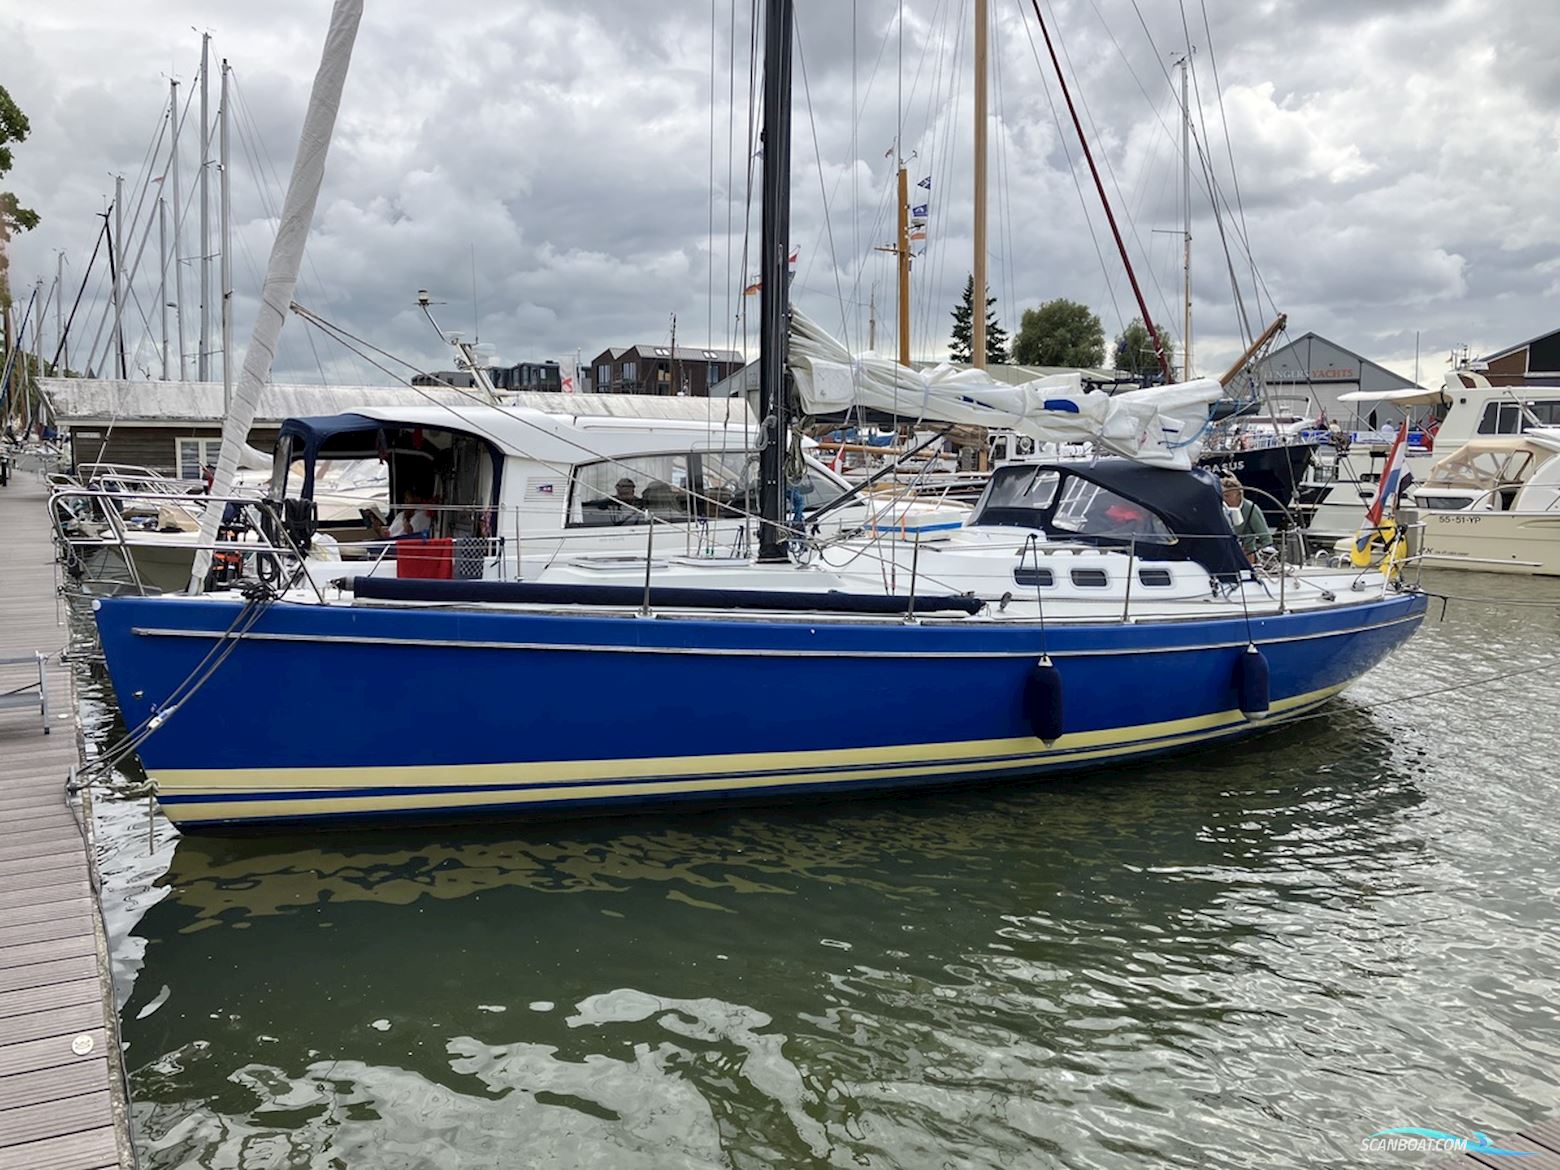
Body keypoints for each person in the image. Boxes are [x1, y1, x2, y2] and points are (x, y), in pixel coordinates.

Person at [1220, 475, 1273, 563]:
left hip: (1247, 555)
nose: (1224, 499)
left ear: (1238, 495)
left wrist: (1268, 555)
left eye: (1227, 496)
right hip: (1224, 555)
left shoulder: (1251, 509)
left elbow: (1265, 537)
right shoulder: (1219, 508)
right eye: (1223, 495)